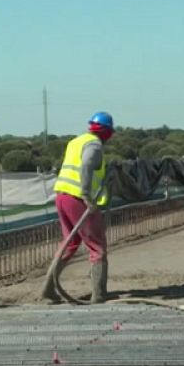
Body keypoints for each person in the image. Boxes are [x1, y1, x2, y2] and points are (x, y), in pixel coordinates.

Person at [42, 111, 114, 304]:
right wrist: (86, 195)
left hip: (62, 196)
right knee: (97, 247)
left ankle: (48, 288)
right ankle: (99, 294)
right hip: (78, 199)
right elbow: (87, 164)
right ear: (107, 132)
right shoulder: (94, 145)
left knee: (70, 243)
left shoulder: (76, 141)